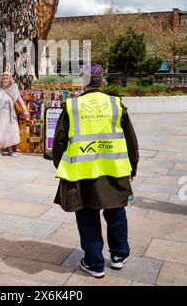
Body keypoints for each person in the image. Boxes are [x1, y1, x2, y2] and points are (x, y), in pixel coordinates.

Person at [52, 64, 139, 279]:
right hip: (114, 169)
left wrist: (59, 165)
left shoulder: (72, 106)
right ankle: (119, 256)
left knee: (87, 215)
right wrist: (132, 166)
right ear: (102, 81)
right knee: (116, 212)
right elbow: (131, 140)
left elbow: (59, 141)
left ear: (83, 82)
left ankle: (94, 263)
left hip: (82, 172)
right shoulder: (116, 103)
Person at [0, 71, 28, 157]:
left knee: (10, 132)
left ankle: (10, 150)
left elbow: (19, 99)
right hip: (0, 114)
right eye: (4, 78)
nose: (5, 80)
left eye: (7, 78)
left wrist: (25, 111)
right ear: (2, 79)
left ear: (10, 79)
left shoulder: (14, 87)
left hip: (11, 114)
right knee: (0, 132)